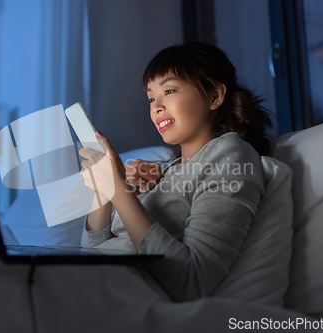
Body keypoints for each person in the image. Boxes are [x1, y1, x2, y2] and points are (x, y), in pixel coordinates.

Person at [78, 41, 272, 302]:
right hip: (94, 283)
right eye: (150, 98)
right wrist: (105, 191)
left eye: (169, 91)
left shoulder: (231, 155)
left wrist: (120, 193)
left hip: (120, 296)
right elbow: (91, 253)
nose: (156, 106)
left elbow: (192, 281)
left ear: (214, 95)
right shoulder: (166, 172)